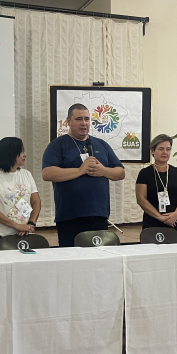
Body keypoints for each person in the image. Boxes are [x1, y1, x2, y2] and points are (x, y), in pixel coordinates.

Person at [42, 104, 125, 247]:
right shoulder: (58, 145)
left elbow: (120, 172)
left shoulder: (101, 144)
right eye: (79, 119)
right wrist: (80, 170)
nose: (84, 123)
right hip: (70, 216)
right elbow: (47, 173)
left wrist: (103, 171)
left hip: (99, 214)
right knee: (72, 257)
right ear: (68, 121)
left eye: (87, 119)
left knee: (100, 256)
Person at [0, 137, 41, 252]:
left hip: (25, 233)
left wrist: (31, 224)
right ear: (10, 153)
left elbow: (36, 202)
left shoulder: (26, 174)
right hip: (0, 234)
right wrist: (16, 225)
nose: (25, 155)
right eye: (21, 151)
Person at [136, 134, 177, 239]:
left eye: (168, 149)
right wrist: (160, 217)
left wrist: (175, 214)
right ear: (152, 151)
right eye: (161, 149)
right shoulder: (145, 173)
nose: (165, 152)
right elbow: (141, 199)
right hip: (152, 220)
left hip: (175, 221)